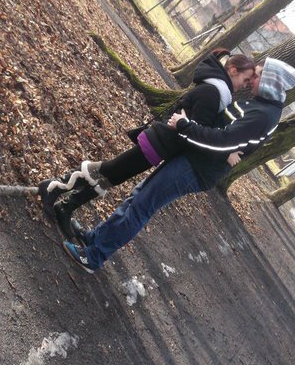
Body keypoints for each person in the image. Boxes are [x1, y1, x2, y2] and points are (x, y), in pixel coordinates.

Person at [60, 57, 295, 273]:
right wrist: (225, 146)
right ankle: (96, 237)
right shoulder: (259, 104)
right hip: (193, 158)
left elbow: (223, 140)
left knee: (142, 205)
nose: (251, 80)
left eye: (257, 75)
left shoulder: (264, 114)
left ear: (270, 82)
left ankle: (95, 256)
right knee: (139, 196)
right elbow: (225, 132)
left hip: (197, 168)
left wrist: (186, 126)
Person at [39, 50, 256, 239]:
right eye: (246, 79)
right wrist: (223, 152)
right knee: (110, 170)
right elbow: (198, 134)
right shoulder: (213, 93)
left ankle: (67, 206)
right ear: (233, 70)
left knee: (113, 177)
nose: (245, 85)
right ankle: (53, 187)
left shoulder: (218, 93)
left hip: (163, 145)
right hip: (159, 142)